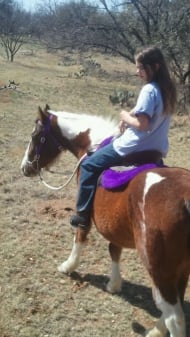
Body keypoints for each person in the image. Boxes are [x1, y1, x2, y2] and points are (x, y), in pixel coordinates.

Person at [70, 46, 177, 230]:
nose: (138, 72)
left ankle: (82, 216)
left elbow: (143, 124)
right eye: (138, 68)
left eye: (142, 68)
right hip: (156, 149)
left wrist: (124, 116)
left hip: (133, 147)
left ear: (156, 66)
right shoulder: (168, 89)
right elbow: (148, 113)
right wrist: (132, 113)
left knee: (88, 165)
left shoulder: (149, 90)